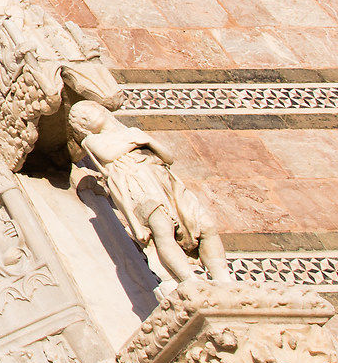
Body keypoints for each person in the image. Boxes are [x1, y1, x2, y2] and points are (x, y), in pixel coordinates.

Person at [67, 102, 229, 283]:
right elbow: (108, 155)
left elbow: (168, 157)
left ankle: (224, 280)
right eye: (82, 119)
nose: (87, 116)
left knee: (205, 225)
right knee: (162, 229)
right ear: (83, 128)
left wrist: (148, 140)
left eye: (89, 111)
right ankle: (189, 281)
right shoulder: (93, 140)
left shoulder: (133, 132)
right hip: (137, 186)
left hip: (164, 180)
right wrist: (135, 141)